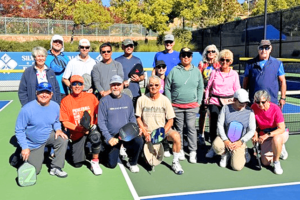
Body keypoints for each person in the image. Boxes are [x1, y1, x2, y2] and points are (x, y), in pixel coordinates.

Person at [15, 82, 68, 177]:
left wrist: (58, 129)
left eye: (47, 92)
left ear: (51, 94)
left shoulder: (55, 106)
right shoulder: (26, 109)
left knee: (63, 139)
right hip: (33, 143)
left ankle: (56, 167)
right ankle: (20, 154)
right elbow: (19, 130)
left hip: (48, 135)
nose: (44, 95)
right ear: (36, 93)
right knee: (35, 171)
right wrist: (24, 147)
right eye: (41, 92)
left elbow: (56, 121)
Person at [136, 75, 184, 175]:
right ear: (148, 86)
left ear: (160, 86)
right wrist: (145, 133)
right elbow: (138, 118)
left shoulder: (165, 100)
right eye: (151, 85)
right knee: (146, 162)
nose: (154, 87)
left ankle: (175, 162)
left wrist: (160, 133)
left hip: (162, 132)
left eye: (156, 85)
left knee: (176, 136)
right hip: (147, 132)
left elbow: (170, 120)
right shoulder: (141, 99)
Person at [165, 47, 204, 163]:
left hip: (192, 106)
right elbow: (167, 87)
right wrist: (170, 103)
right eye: (183, 55)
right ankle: (180, 149)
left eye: (188, 55)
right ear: (180, 57)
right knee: (179, 129)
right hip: (176, 106)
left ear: (191, 57)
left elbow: (201, 87)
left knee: (191, 128)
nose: (186, 57)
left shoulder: (196, 71)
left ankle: (193, 152)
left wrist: (199, 102)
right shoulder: (174, 70)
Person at [98, 75, 143, 173]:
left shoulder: (127, 99)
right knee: (111, 165)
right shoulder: (103, 101)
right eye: (113, 85)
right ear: (110, 86)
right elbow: (101, 122)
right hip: (113, 137)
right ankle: (104, 150)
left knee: (139, 141)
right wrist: (108, 138)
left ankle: (132, 162)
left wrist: (135, 128)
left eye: (118, 84)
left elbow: (131, 117)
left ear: (122, 85)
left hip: (127, 134)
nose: (116, 87)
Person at [60, 75, 102, 175]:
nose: (77, 86)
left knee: (96, 136)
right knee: (77, 164)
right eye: (74, 84)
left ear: (83, 86)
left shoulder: (91, 97)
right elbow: (65, 122)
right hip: (77, 132)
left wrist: (94, 124)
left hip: (91, 129)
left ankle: (95, 161)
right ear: (70, 86)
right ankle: (74, 149)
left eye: (80, 84)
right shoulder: (65, 101)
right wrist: (80, 129)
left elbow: (99, 113)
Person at [204, 49, 241, 158]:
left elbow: (237, 89)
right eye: (222, 60)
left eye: (227, 60)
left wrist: (237, 102)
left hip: (229, 102)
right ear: (219, 60)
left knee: (228, 125)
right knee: (214, 122)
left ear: (231, 61)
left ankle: (226, 149)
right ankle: (212, 147)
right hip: (215, 101)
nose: (224, 62)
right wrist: (206, 99)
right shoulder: (214, 72)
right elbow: (208, 88)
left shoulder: (234, 74)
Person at [212, 89, 255, 170]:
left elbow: (252, 130)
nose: (243, 105)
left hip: (239, 141)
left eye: (245, 103)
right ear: (234, 100)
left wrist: (241, 141)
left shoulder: (250, 112)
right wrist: (225, 140)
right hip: (225, 138)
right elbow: (220, 125)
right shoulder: (225, 108)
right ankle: (225, 154)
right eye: (241, 103)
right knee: (216, 145)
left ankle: (244, 150)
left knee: (237, 167)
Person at [251, 90, 289, 175]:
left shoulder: (275, 108)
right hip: (264, 133)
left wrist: (266, 135)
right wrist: (255, 134)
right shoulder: (253, 107)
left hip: (279, 133)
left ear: (268, 100)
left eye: (263, 102)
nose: (260, 105)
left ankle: (276, 162)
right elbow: (254, 125)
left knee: (276, 139)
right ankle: (276, 148)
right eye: (257, 102)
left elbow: (281, 128)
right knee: (265, 163)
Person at [243, 40, 287, 109]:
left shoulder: (278, 63)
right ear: (258, 49)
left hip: (271, 102)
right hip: (255, 102)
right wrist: (244, 97)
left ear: (270, 49)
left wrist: (283, 98)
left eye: (266, 48)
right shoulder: (249, 63)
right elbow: (245, 82)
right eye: (261, 48)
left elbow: (282, 81)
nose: (264, 50)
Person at [198, 44, 221, 145]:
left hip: (215, 94)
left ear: (216, 53)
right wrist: (201, 89)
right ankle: (201, 135)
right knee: (203, 114)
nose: (210, 53)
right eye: (208, 51)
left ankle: (213, 136)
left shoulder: (219, 64)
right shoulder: (202, 64)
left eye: (213, 51)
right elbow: (198, 78)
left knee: (213, 115)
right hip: (204, 92)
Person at [115, 39, 145, 108]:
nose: (129, 48)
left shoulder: (137, 60)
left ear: (133, 47)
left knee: (135, 116)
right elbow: (114, 77)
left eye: (131, 46)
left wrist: (139, 78)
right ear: (122, 47)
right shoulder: (117, 61)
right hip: (122, 93)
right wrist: (122, 83)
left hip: (136, 93)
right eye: (126, 46)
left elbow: (142, 76)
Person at [45, 35, 70, 99]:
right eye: (55, 41)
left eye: (60, 42)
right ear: (51, 43)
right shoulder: (44, 56)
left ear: (62, 45)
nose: (57, 43)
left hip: (62, 91)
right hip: (47, 91)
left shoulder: (66, 58)